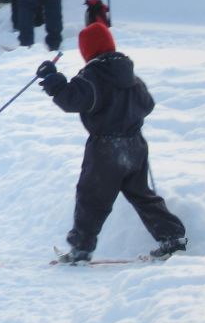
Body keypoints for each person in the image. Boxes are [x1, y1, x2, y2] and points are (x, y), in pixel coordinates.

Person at [38, 23, 187, 263]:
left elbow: (71, 100)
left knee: (92, 198)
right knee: (142, 194)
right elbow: (147, 104)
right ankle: (173, 237)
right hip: (135, 145)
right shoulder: (130, 75)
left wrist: (53, 81)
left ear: (87, 50)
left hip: (105, 149)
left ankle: (81, 248)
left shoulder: (92, 76)